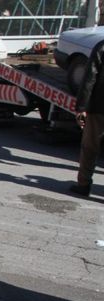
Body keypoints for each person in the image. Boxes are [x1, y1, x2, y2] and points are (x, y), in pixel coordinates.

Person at [69, 40, 104, 197]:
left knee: (90, 147)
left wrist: (81, 107)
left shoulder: (102, 47)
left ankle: (83, 184)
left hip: (99, 107)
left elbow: (90, 77)